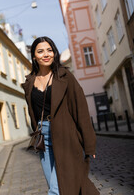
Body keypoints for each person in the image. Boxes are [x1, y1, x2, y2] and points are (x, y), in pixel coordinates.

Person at [22, 36, 99, 195]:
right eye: (41, 51)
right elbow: (33, 113)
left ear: (54, 53)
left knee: (57, 190)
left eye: (49, 50)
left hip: (65, 135)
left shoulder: (64, 76)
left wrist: (89, 143)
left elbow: (80, 109)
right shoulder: (30, 82)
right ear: (34, 56)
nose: (46, 54)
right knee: (55, 186)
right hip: (43, 138)